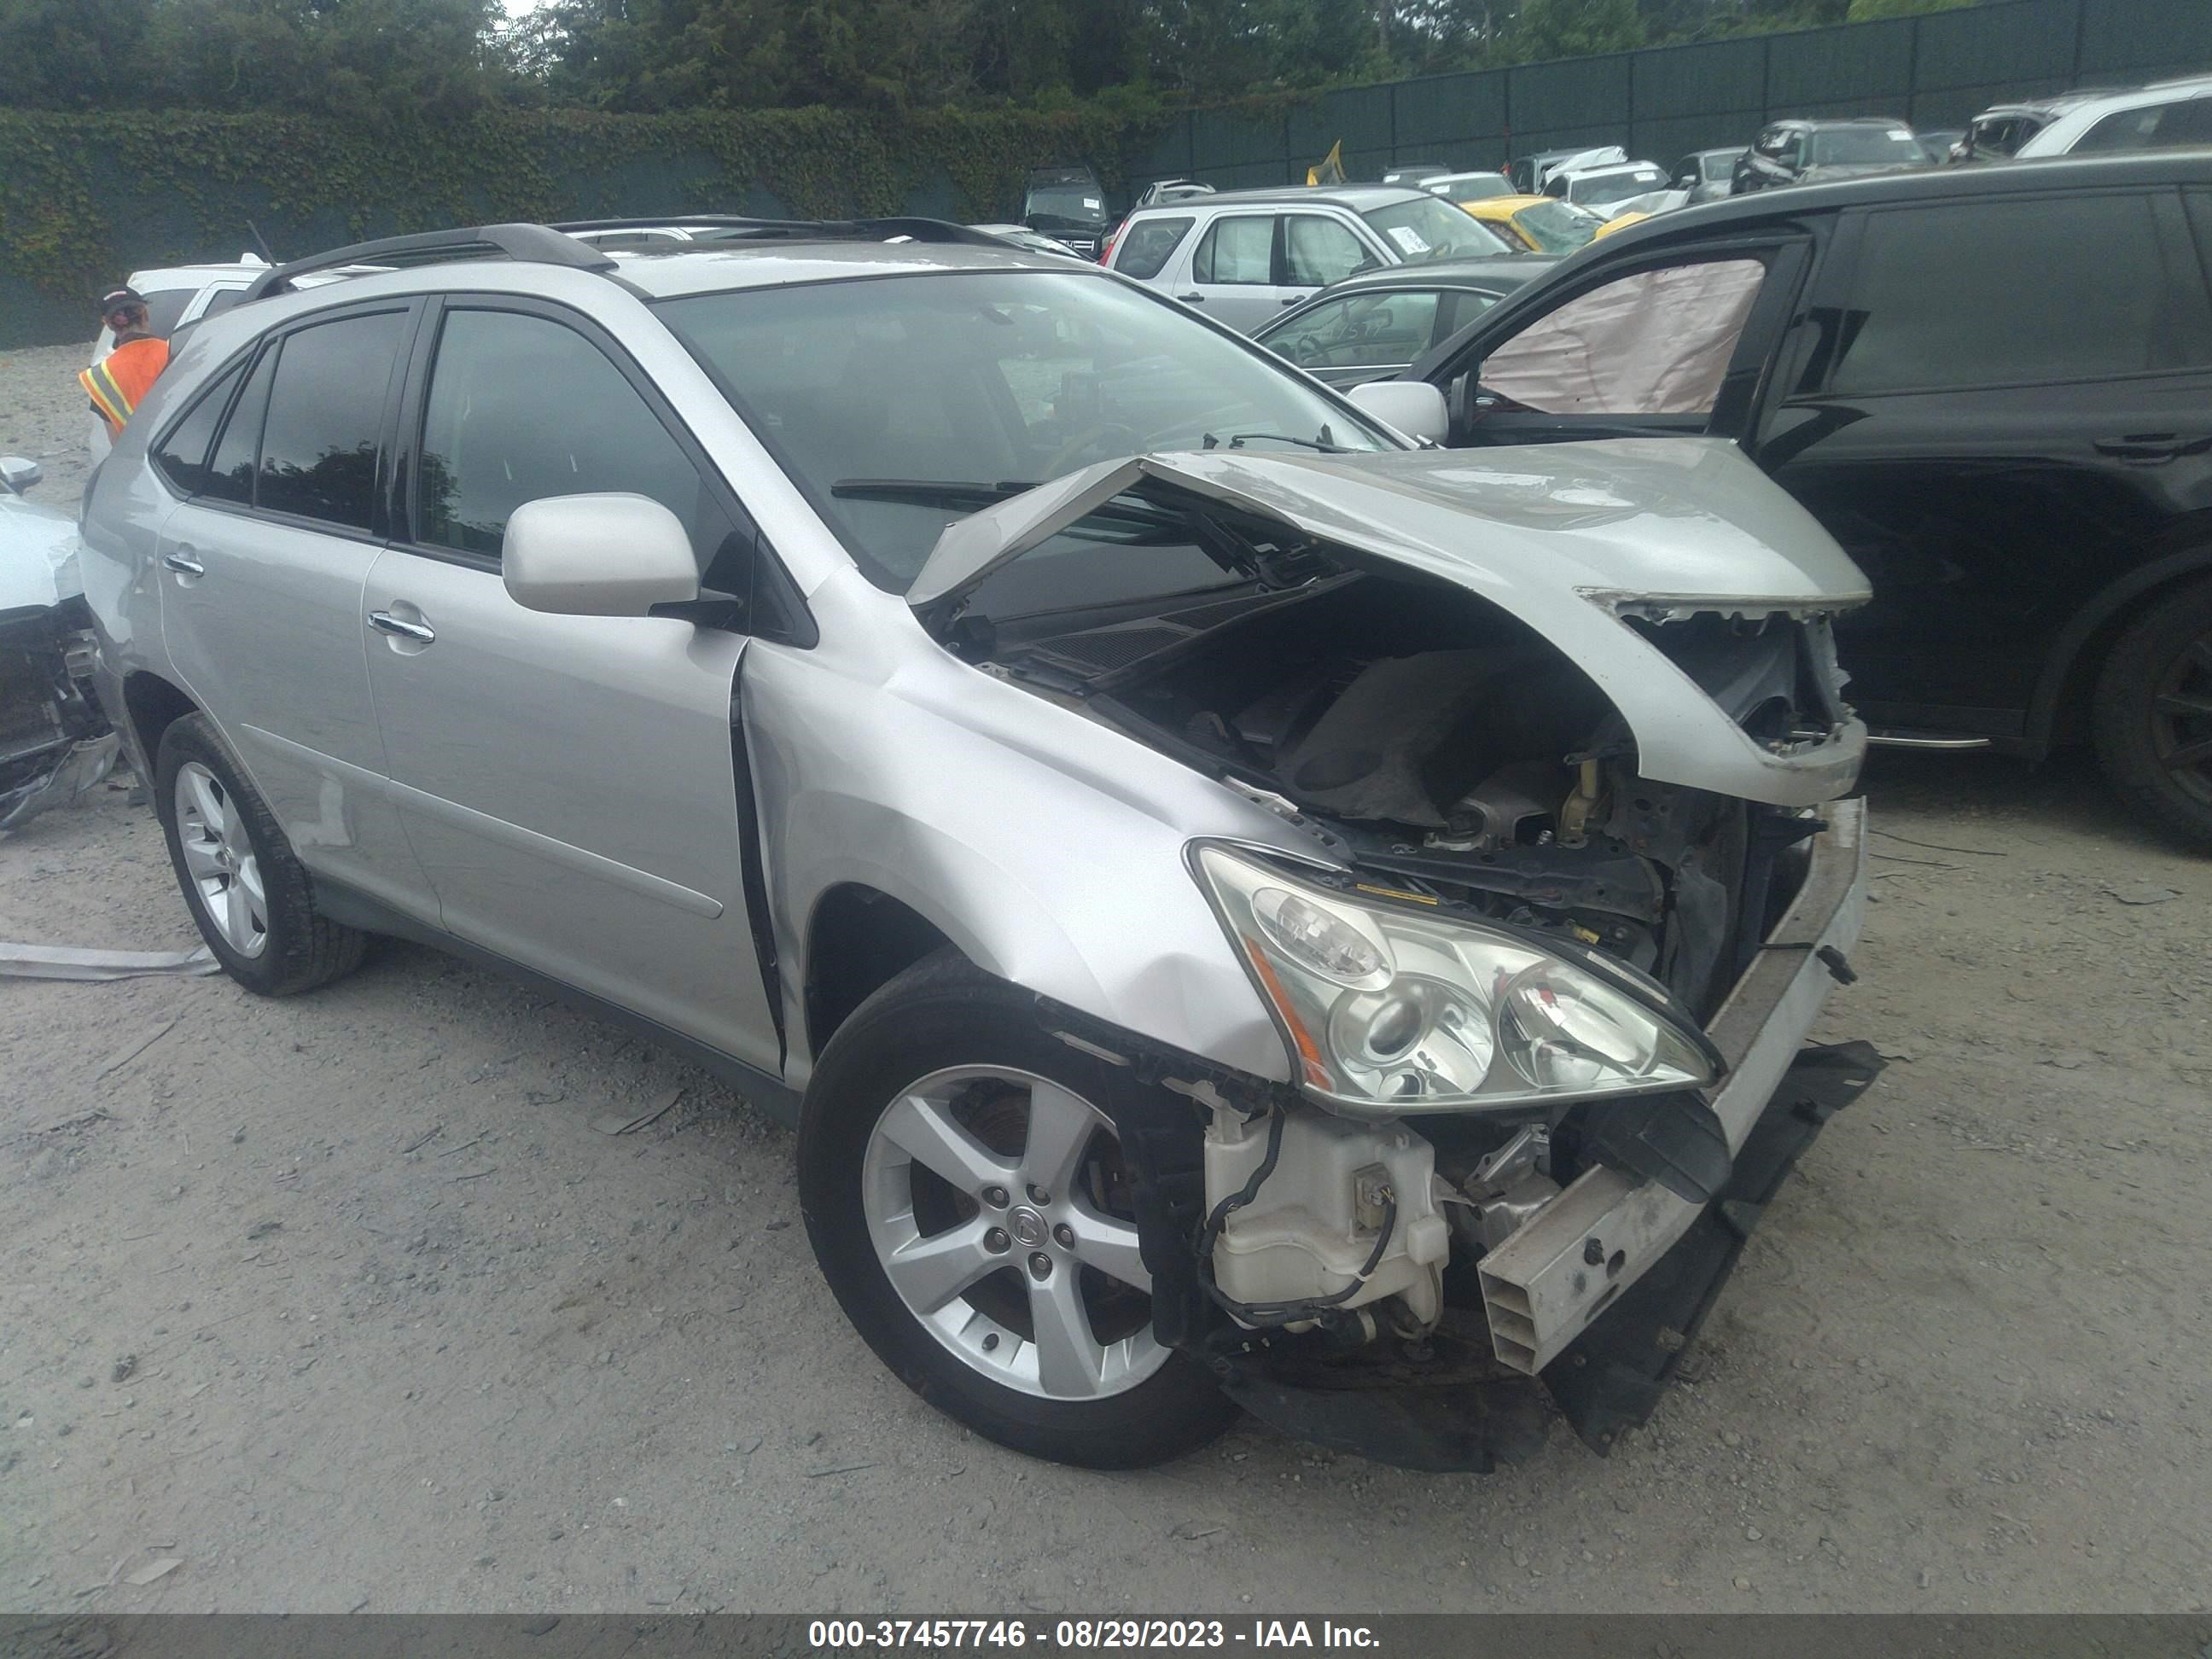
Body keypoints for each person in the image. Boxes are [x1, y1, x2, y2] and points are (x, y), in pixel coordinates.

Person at [79, 287, 172, 439]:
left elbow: (115, 442)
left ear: (107, 323)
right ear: (145, 312)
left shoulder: (100, 376)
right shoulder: (179, 351)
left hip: (142, 458)